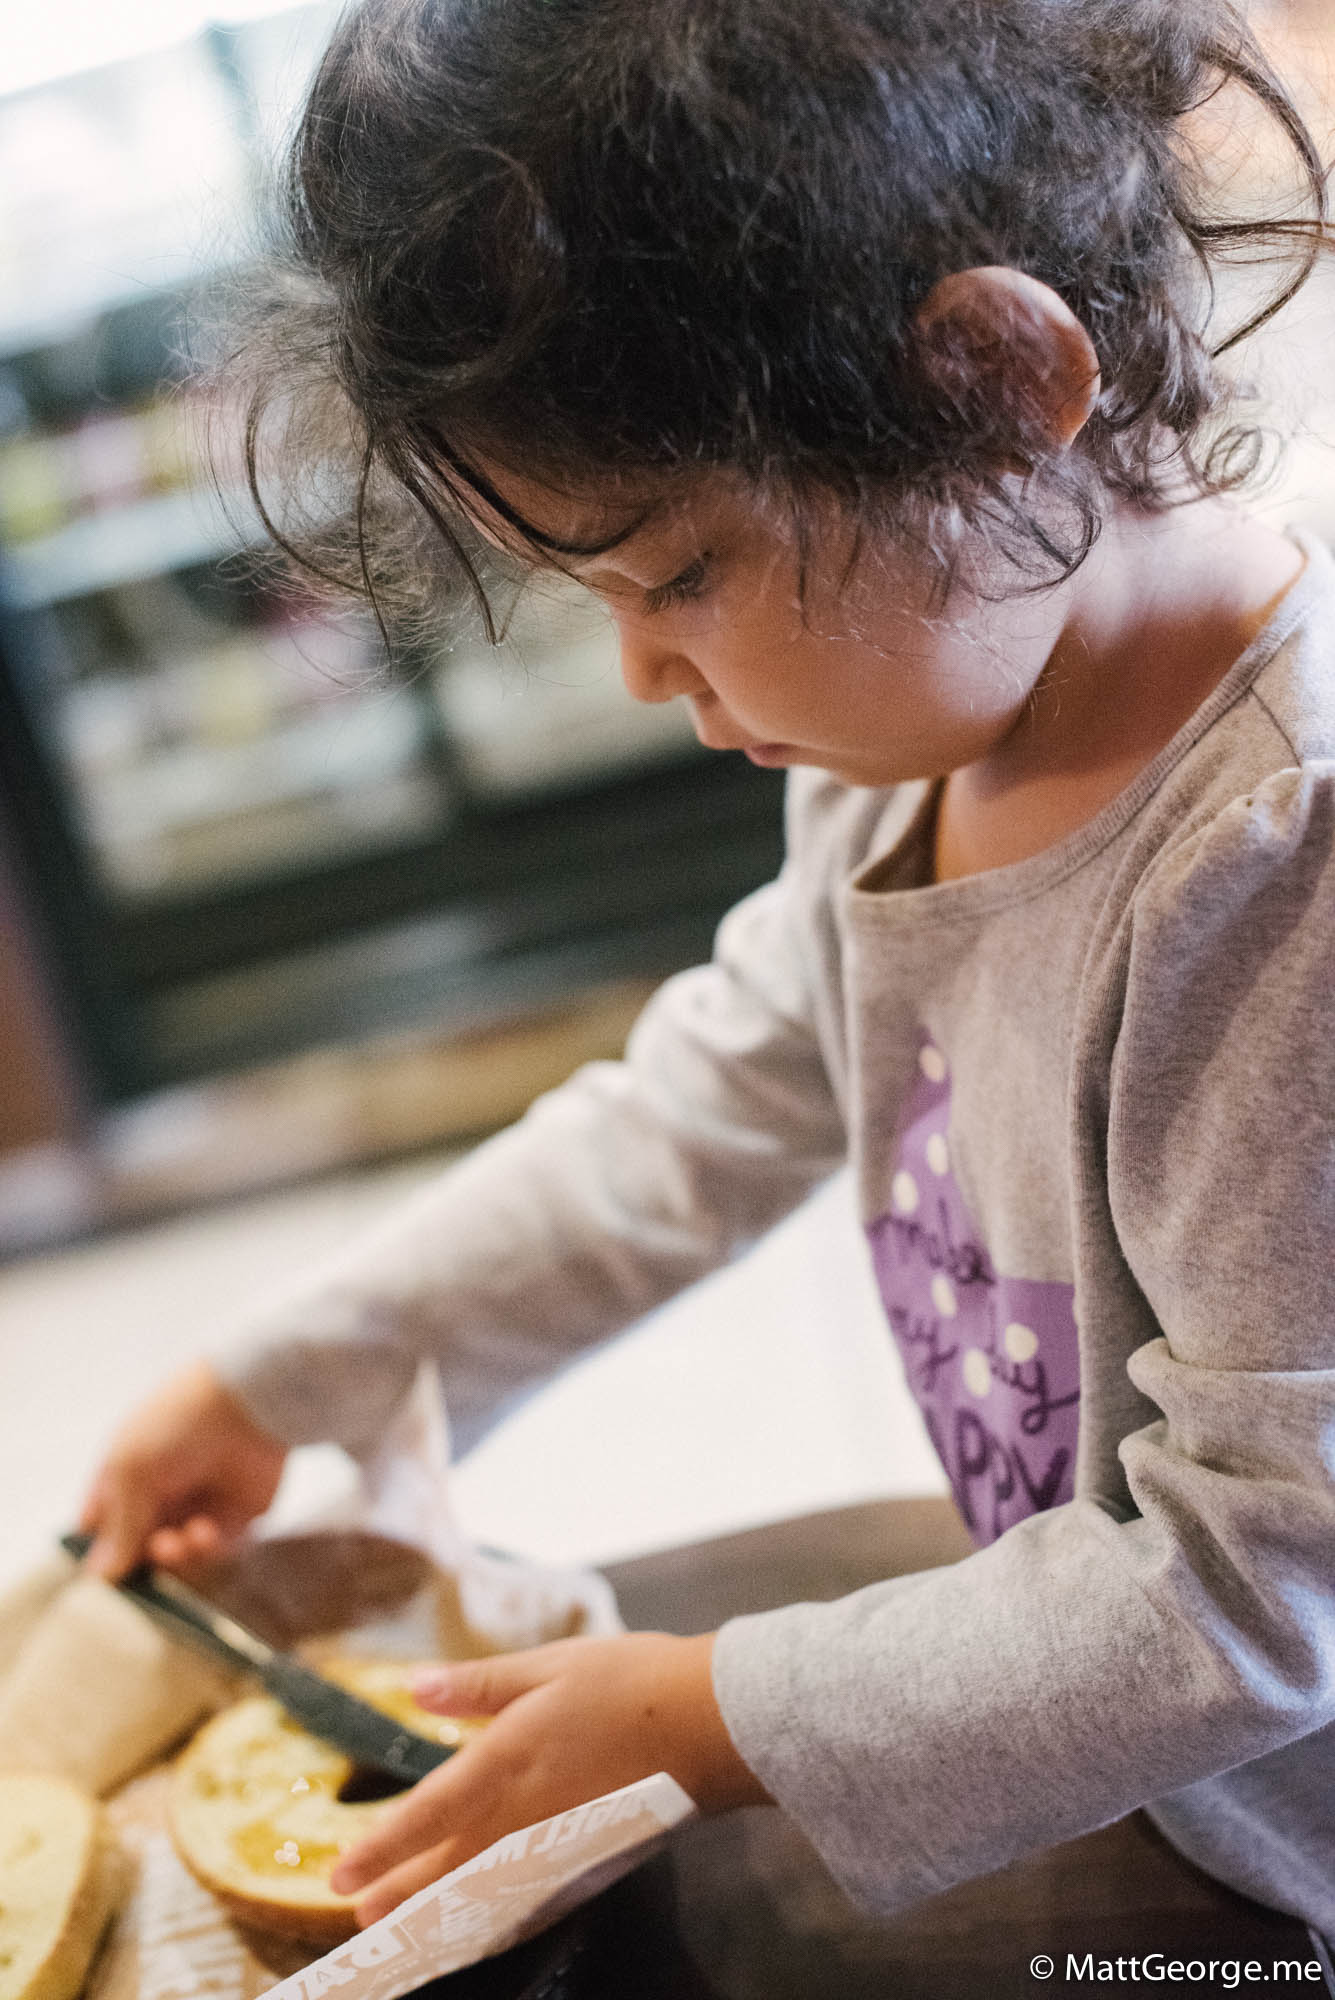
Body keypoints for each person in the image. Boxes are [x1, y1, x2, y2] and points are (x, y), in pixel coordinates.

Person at [81, 0, 1335, 1940]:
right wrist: (283, 1370)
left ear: (996, 382)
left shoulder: (1275, 869)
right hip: (1117, 1715)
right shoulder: (914, 751)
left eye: (670, 577)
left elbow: (1268, 1581)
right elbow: (702, 1103)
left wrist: (722, 1707)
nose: (646, 676)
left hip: (1272, 1865)